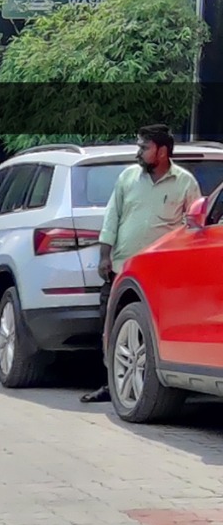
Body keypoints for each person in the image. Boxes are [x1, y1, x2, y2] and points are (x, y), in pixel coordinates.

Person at [80, 125, 202, 402]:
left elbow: (193, 227)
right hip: (122, 270)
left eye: (144, 147)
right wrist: (104, 256)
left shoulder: (185, 183)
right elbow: (112, 217)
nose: (138, 153)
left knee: (153, 332)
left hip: (163, 277)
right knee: (112, 328)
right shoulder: (127, 177)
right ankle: (111, 386)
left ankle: (155, 388)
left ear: (162, 151)